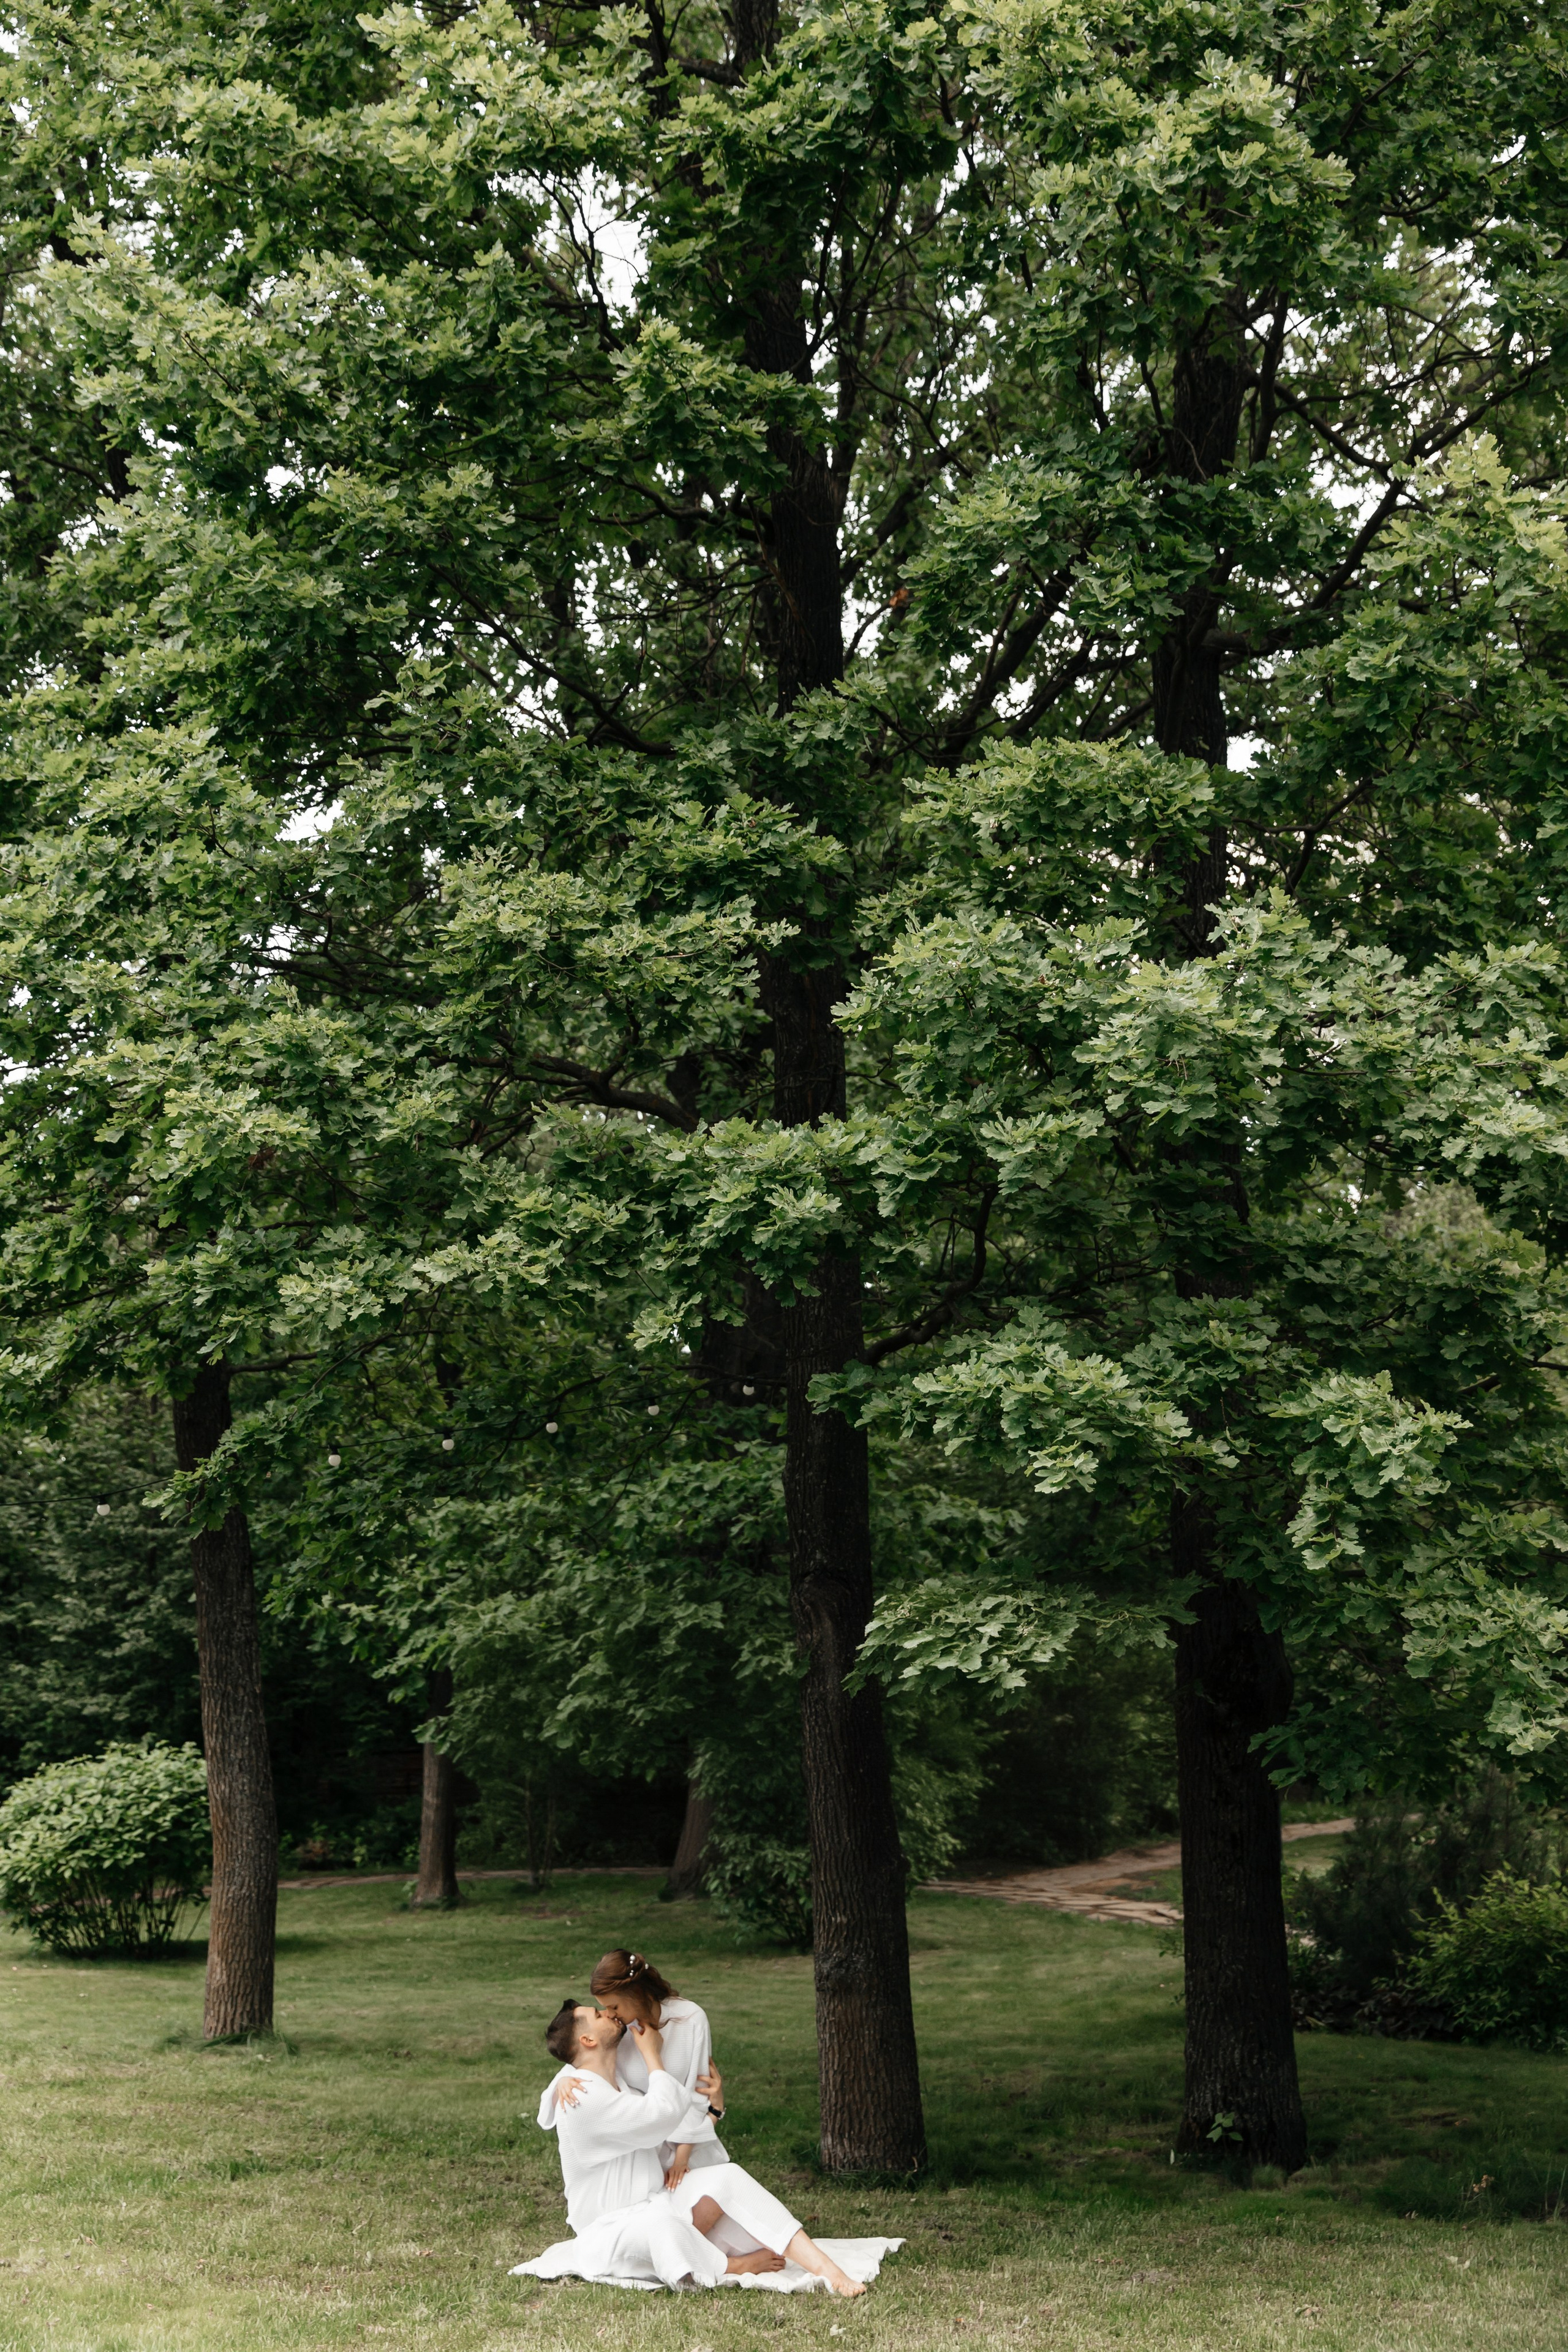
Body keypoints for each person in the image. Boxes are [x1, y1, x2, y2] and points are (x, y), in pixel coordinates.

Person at [513, 1999, 870, 2295]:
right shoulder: (581, 2098)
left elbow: (657, 2120)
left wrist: (714, 2110)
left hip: (655, 2203)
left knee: (726, 2178)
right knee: (660, 2223)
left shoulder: (608, 2082)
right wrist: (653, 2055)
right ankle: (731, 2265)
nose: (608, 2012)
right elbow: (662, 2114)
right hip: (609, 2233)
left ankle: (828, 2270)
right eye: (597, 2014)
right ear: (589, 2040)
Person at [593, 1948, 724, 2190]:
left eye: (614, 2007)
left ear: (637, 1993)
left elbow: (697, 2098)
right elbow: (588, 2064)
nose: (610, 2015)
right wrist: (565, 2080)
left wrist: (681, 2160)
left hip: (687, 2144)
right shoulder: (616, 2029)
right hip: (635, 2152)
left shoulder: (690, 2019)